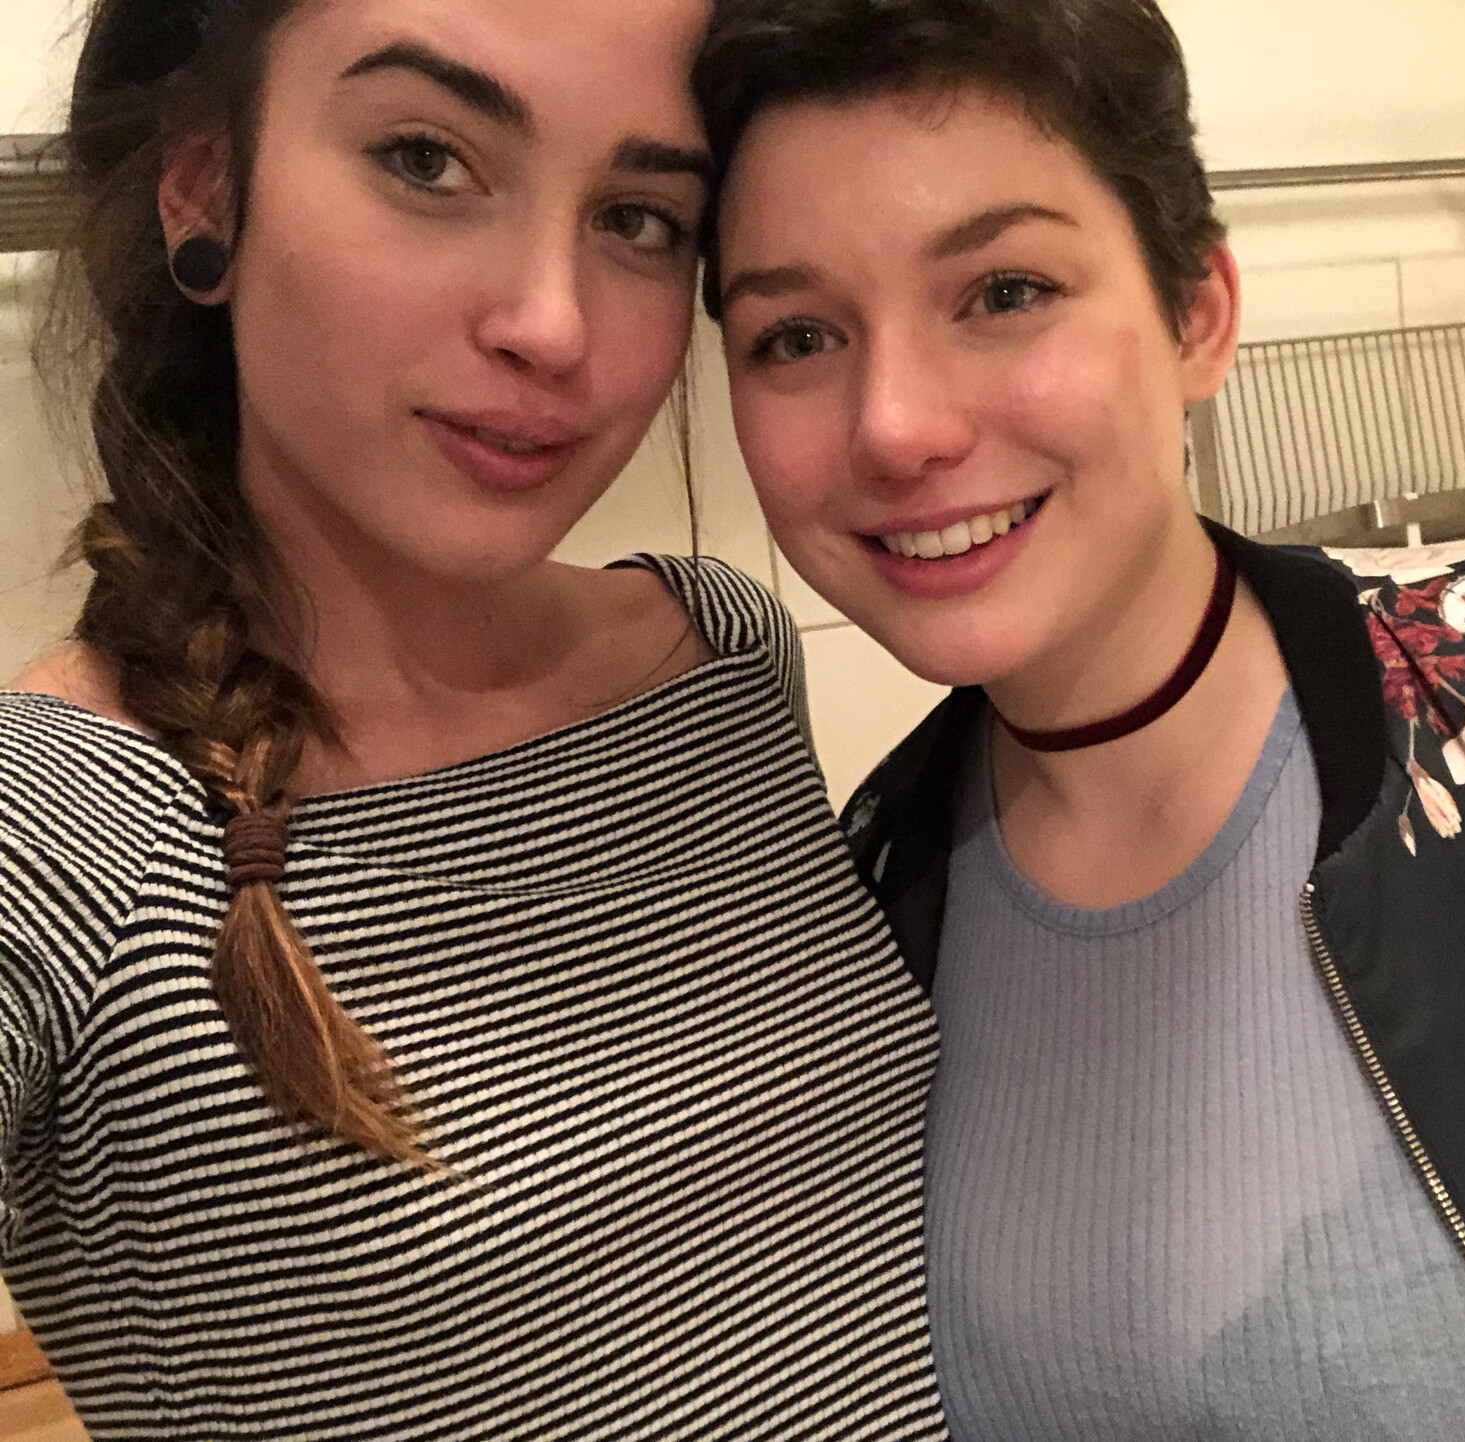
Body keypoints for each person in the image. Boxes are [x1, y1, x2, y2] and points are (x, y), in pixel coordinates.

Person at [694, 0, 1465, 1436]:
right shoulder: (876, 896)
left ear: (1197, 314)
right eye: (795, 335)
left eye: (1005, 291)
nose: (894, 424)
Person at [0, 0, 949, 1435]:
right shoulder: (58, 823)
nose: (551, 324)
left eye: (637, 218)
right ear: (203, 185)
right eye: (427, 160)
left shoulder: (716, 654)